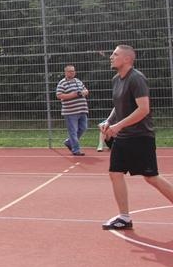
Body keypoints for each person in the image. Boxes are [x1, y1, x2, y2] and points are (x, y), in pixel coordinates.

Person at [100, 45, 173, 230]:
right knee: (115, 173)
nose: (111, 57)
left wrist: (118, 126)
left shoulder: (136, 78)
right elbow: (118, 105)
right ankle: (124, 218)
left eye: (115, 54)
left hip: (140, 136)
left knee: (151, 177)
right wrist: (109, 121)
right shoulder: (116, 79)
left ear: (127, 59)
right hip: (124, 137)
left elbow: (143, 109)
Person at [55, 64, 89, 156]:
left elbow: (85, 90)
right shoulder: (62, 83)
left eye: (73, 71)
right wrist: (74, 94)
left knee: (83, 128)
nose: (72, 73)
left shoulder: (78, 81)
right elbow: (59, 95)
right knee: (73, 131)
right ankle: (76, 150)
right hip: (70, 112)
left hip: (82, 110)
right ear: (65, 72)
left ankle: (69, 142)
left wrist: (84, 92)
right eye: (70, 71)